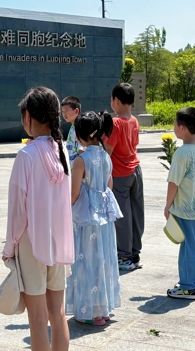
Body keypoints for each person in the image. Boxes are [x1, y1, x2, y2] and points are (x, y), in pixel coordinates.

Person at [3, 86, 73, 351]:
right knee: (58, 313)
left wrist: (9, 247)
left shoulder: (26, 155)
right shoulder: (62, 150)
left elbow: (17, 211)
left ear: (28, 116)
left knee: (37, 318)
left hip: (32, 243)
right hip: (59, 241)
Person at [65, 111, 122, 325]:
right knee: (103, 260)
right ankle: (103, 308)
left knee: (86, 261)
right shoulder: (106, 156)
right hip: (105, 216)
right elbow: (109, 186)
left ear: (81, 135)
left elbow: (74, 194)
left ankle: (90, 311)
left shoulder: (81, 160)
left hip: (86, 217)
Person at [165, 107, 195, 300]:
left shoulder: (181, 153)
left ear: (182, 128)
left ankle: (187, 287)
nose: (174, 127)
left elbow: (173, 182)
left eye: (175, 124)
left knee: (187, 249)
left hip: (186, 210)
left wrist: (168, 205)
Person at [103, 83, 143, 271]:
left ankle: (124, 256)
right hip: (136, 170)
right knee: (136, 213)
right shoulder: (134, 121)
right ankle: (134, 253)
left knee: (122, 217)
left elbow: (107, 151)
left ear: (116, 100)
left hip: (120, 174)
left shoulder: (116, 123)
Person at [61, 96, 83, 161]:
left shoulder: (81, 127)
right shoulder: (73, 127)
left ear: (76, 111)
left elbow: (82, 151)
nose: (64, 114)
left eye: (66, 111)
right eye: (62, 111)